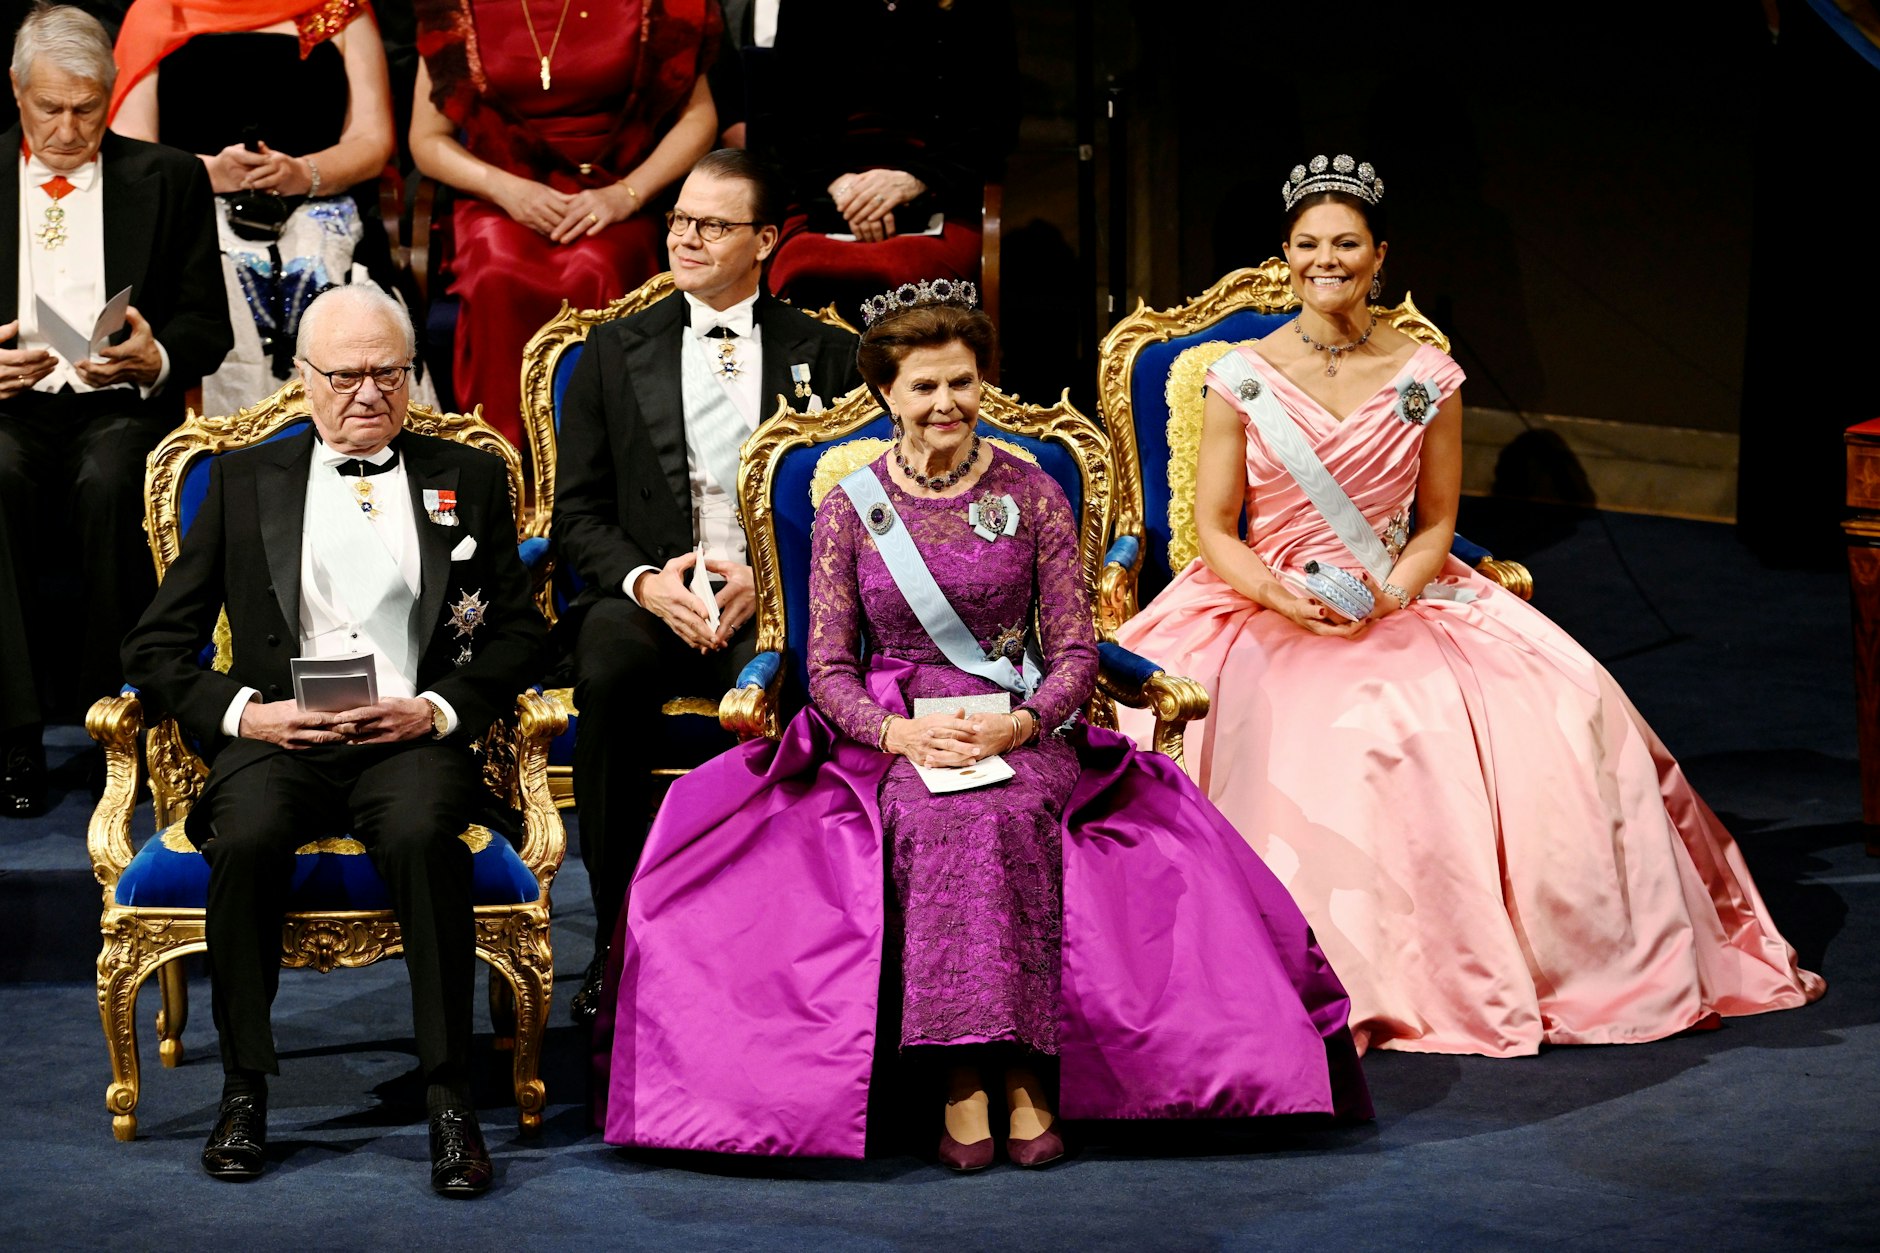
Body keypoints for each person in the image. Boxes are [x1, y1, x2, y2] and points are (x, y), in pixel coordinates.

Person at [594, 282, 1371, 1169]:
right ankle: (965, 1078)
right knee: (935, 813)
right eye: (923, 387)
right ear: (886, 394)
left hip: (1017, 725)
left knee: (1003, 811)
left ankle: (1024, 1073)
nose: (944, 405)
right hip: (890, 729)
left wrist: (1022, 726)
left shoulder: (1033, 493)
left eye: (960, 382)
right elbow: (828, 670)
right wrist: (898, 737)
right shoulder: (850, 506)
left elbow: (1078, 653)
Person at [1113, 155, 1826, 1058]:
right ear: (1285, 255)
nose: (1324, 261)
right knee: (1301, 733)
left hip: (1399, 591)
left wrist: (1392, 594)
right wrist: (1280, 596)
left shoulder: (1427, 373)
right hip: (1263, 595)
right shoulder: (1238, 375)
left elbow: (1439, 519)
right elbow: (1217, 530)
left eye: (1345, 244)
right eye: (1306, 245)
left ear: (1379, 255)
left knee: (1572, 705)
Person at [120, 285, 548, 1193]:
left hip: (411, 740)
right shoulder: (242, 481)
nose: (368, 392)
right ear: (303, 378)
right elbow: (154, 646)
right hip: (279, 737)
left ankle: (448, 1100)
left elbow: (517, 633)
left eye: (388, 372)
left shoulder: (464, 475)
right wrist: (247, 714)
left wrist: (434, 708)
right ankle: (246, 1089)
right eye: (347, 374)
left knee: (425, 834)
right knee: (246, 834)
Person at [553, 147, 859, 1025]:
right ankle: (617, 935)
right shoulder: (611, 351)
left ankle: (785, 943)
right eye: (680, 219)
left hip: (778, 595)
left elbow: (851, 501)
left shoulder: (829, 354)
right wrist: (649, 583)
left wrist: (772, 585)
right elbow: (575, 514)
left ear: (765, 240)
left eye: (711, 225)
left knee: (814, 674)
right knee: (607, 672)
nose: (685, 236)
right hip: (652, 595)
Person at [0, 4, 231, 816]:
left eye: (87, 108)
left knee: (110, 479)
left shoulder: (168, 177)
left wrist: (155, 356)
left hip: (119, 408)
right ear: (16, 93)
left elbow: (209, 325)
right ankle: (13, 737)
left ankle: (118, 723)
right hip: (9, 409)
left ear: (111, 94)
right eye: (48, 107)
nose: (68, 128)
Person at [409, 0, 720, 444]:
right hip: (501, 194)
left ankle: (605, 471)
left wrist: (627, 194)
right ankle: (504, 468)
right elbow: (426, 139)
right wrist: (506, 190)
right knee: (498, 272)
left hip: (616, 190)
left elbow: (698, 116)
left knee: (597, 267)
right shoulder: (456, 7)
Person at [108, 0, 398, 416]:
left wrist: (303, 173)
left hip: (319, 208)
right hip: (196, 208)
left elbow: (371, 139)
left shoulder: (341, 8)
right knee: (214, 282)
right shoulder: (157, 10)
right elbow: (132, 152)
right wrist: (208, 173)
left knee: (326, 285)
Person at [758, 0, 1014, 325]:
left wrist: (914, 180)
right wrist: (843, 187)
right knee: (800, 271)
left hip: (939, 194)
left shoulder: (977, 7)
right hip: (820, 192)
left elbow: (996, 126)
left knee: (912, 277)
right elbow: (781, 121)